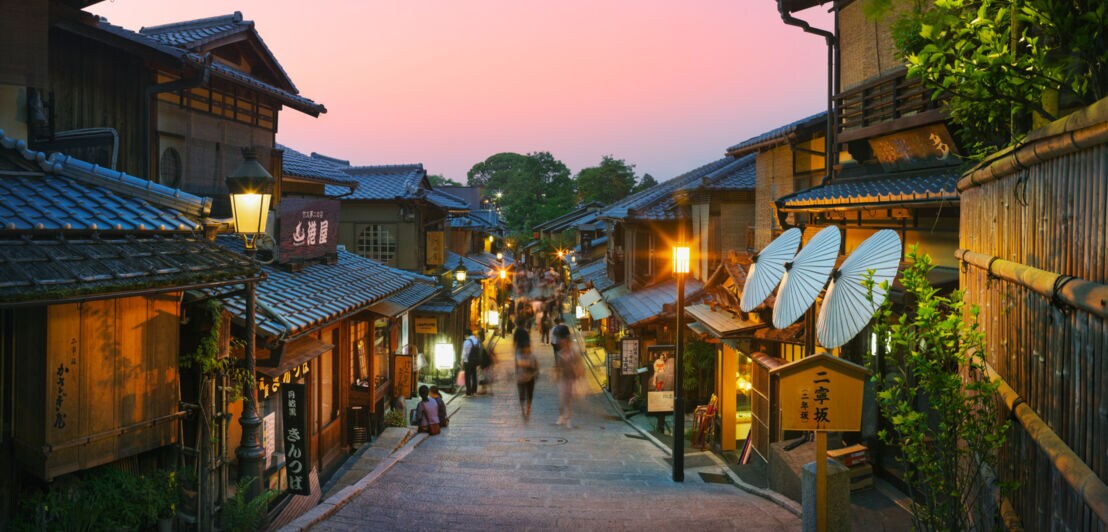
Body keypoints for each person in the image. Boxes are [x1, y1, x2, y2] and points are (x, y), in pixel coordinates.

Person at [556, 334, 584, 428]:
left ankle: (568, 418)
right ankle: (561, 416)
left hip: (573, 378)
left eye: (565, 343)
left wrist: (579, 373)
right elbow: (558, 367)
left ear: (568, 343)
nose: (564, 345)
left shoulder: (574, 353)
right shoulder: (560, 354)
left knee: (568, 399)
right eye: (562, 343)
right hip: (564, 378)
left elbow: (579, 364)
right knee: (562, 398)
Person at [514, 317, 538, 421]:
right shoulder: (526, 332)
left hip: (528, 377)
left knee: (528, 395)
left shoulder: (517, 332)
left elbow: (514, 343)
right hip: (523, 377)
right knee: (524, 395)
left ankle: (526, 410)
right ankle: (524, 411)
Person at [461, 329, 481, 396]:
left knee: (467, 377)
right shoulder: (476, 340)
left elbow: (465, 353)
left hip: (468, 361)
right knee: (474, 376)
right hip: (475, 361)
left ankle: (468, 392)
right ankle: (474, 391)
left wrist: (462, 361)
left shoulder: (467, 341)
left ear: (466, 335)